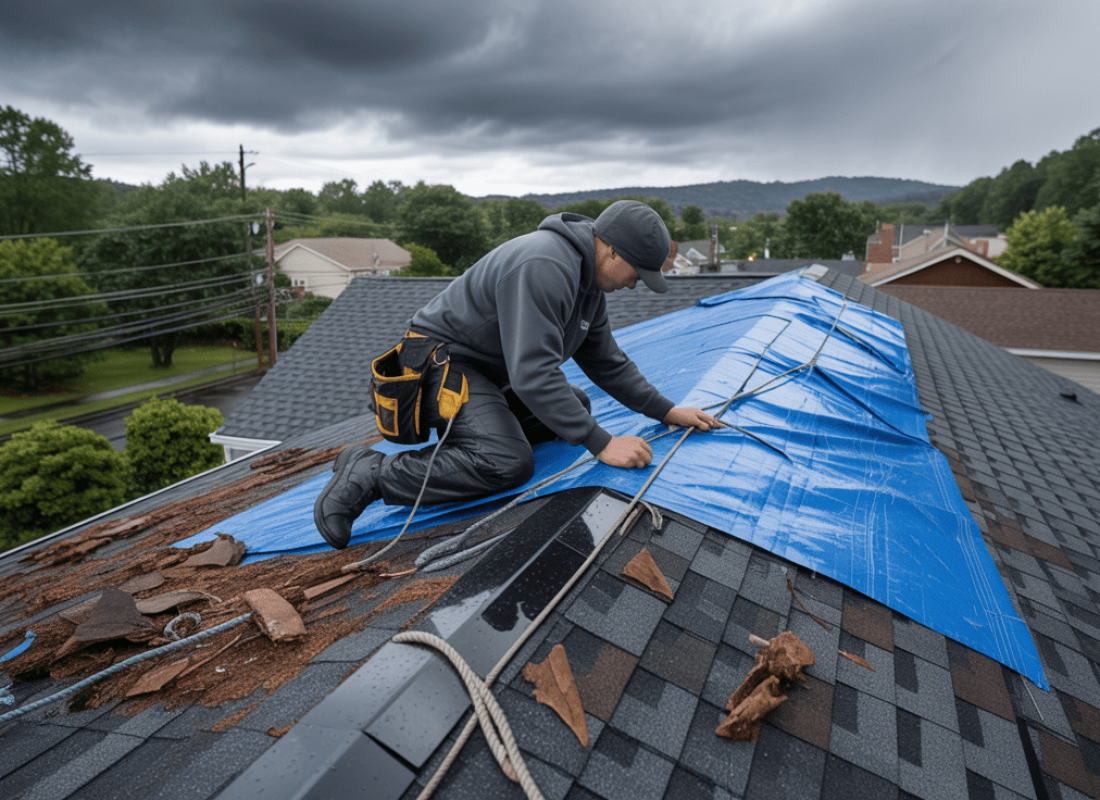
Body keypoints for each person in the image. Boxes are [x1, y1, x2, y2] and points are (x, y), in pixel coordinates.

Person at [314, 200, 722, 549]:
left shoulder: (588, 285)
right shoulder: (546, 264)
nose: (635, 285)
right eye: (636, 274)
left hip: (488, 370)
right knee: (505, 462)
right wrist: (602, 444)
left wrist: (666, 411)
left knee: (573, 407)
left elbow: (607, 361)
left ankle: (479, 436)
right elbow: (532, 373)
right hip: (442, 365)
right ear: (612, 251)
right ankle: (370, 473)